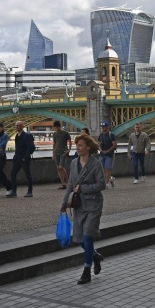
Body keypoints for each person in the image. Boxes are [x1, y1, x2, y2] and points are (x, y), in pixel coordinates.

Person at [60, 134, 105, 285]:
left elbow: (101, 185)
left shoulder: (96, 164)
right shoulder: (73, 163)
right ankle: (95, 256)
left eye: (80, 145)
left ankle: (87, 271)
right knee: (79, 239)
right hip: (79, 205)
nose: (77, 148)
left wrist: (84, 188)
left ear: (88, 148)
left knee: (87, 235)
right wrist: (64, 203)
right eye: (77, 145)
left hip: (93, 205)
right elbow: (71, 185)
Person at [7, 120, 34, 197]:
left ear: (22, 126)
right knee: (13, 174)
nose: (16, 127)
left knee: (27, 174)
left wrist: (25, 157)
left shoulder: (27, 136)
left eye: (18, 125)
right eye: (16, 125)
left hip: (24, 159)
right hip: (17, 158)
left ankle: (30, 191)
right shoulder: (16, 136)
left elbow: (30, 147)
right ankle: (14, 191)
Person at [52, 121, 72, 189]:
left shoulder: (65, 133)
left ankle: (67, 180)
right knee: (59, 168)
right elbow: (54, 144)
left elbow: (70, 141)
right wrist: (53, 154)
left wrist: (69, 150)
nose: (56, 128)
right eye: (55, 127)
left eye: (57, 127)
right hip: (56, 152)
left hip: (63, 152)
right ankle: (63, 183)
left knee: (61, 167)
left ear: (60, 126)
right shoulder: (54, 134)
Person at [97, 121, 118, 188]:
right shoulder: (101, 135)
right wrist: (100, 150)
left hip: (109, 154)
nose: (102, 128)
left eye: (104, 127)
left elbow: (114, 145)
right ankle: (111, 178)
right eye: (102, 127)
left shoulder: (111, 135)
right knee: (102, 169)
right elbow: (99, 144)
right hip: (102, 154)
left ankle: (106, 184)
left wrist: (108, 151)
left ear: (107, 127)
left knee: (107, 168)